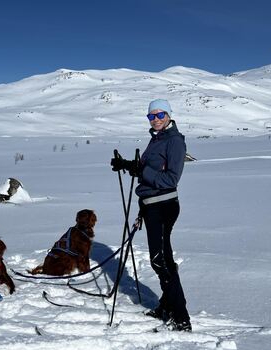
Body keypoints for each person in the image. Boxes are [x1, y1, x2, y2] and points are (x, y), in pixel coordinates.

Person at [110, 98, 191, 332]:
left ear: (169, 115)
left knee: (160, 260)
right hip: (151, 205)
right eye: (151, 116)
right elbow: (150, 172)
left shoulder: (174, 141)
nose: (156, 119)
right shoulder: (157, 139)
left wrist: (141, 170)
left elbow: (170, 179)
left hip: (164, 206)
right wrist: (128, 165)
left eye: (160, 115)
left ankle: (181, 317)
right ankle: (167, 305)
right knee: (163, 258)